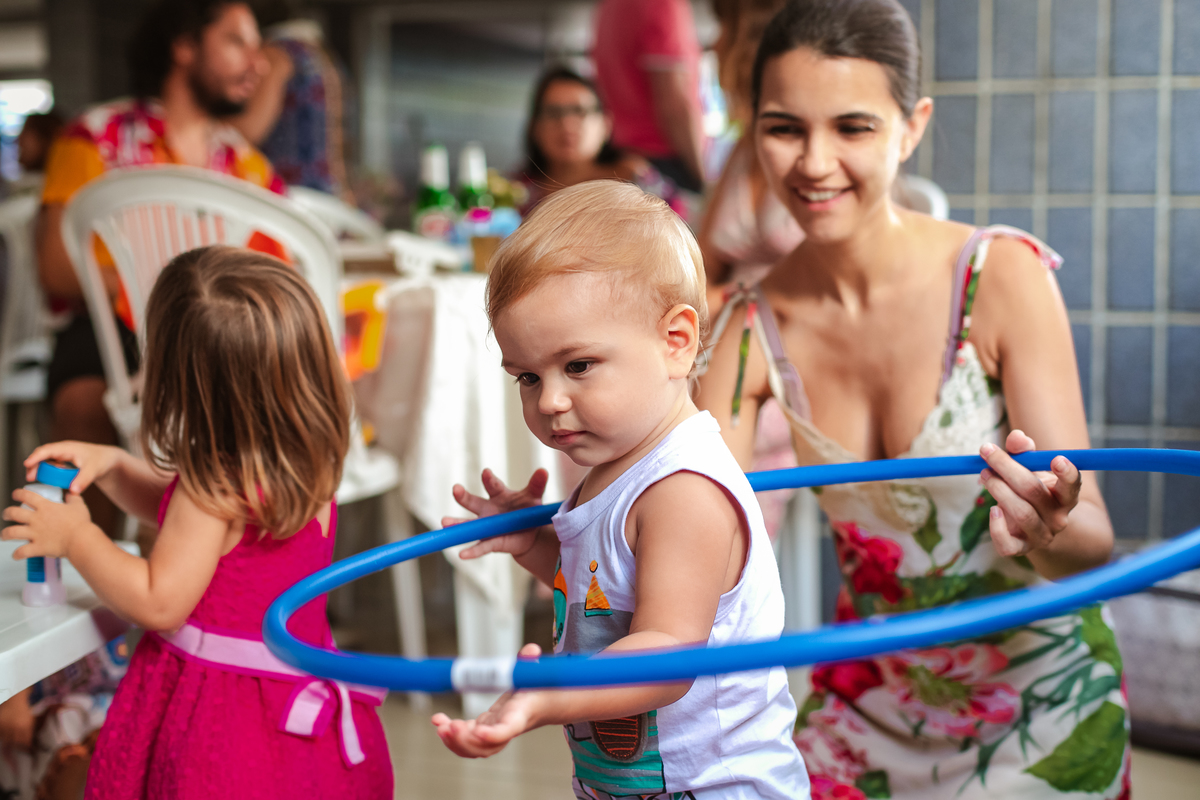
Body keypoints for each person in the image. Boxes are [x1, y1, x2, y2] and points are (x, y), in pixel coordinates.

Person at [697, 2, 1129, 799]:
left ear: (911, 127)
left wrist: (1051, 527)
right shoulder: (747, 329)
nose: (813, 163)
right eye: (784, 128)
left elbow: (1091, 542)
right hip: (864, 703)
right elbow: (695, 544)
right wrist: (574, 537)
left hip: (1041, 703)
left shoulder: (1001, 278)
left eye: (852, 127)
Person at [430, 181, 808, 799]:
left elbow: (667, 653)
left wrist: (550, 693)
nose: (549, 401)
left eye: (577, 366)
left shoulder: (684, 489)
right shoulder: (621, 462)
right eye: (528, 377)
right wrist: (536, 547)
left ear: (675, 342)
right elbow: (608, 593)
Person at [2, 246, 392, 799]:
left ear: (181, 382)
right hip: (285, 710)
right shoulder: (304, 465)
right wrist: (115, 467)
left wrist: (77, 537)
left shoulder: (211, 488)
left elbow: (158, 601)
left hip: (220, 723)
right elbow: (211, 540)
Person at [36, 0, 283, 537]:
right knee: (84, 403)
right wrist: (152, 289)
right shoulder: (92, 138)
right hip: (113, 328)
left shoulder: (246, 163)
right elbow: (56, 270)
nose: (259, 62)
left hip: (218, 334)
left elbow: (280, 267)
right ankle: (88, 562)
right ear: (185, 47)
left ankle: (225, 566)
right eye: (237, 41)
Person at [700, 0, 801, 538]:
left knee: (702, 429)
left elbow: (826, 286)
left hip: (791, 340)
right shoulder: (742, 150)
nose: (713, 46)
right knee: (613, 405)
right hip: (727, 328)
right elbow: (702, 263)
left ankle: (729, 560)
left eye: (723, 31)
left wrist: (718, 301)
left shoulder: (813, 155)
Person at [515, 66, 686, 220]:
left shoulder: (633, 180)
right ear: (535, 127)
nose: (567, 124)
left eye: (579, 111)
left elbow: (678, 224)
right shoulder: (516, 194)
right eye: (553, 113)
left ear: (605, 125)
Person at [233, 8, 352, 199]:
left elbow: (250, 129)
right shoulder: (319, 55)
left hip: (293, 195)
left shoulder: (278, 53)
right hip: (327, 192)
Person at [592, 0, 707, 193]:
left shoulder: (608, 7)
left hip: (624, 156)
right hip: (663, 164)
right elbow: (673, 104)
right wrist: (701, 177)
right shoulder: (661, 4)